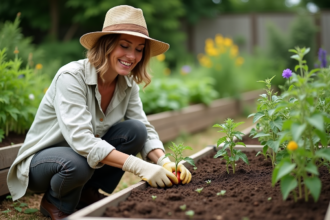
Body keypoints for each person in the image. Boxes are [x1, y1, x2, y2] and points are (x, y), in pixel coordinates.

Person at [7, 5, 192, 220]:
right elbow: (82, 141)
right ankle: (56, 202)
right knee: (77, 162)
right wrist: (139, 166)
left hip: (82, 159)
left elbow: (144, 129)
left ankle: (86, 192)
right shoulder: (71, 76)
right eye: (124, 45)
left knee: (135, 130)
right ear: (107, 45)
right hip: (44, 163)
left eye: (139, 49)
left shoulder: (128, 84)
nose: (132, 56)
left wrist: (164, 161)